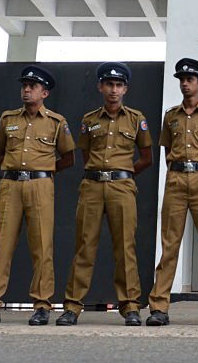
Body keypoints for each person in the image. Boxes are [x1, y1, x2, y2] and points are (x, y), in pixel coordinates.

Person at [0, 65, 76, 326]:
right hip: (10, 186)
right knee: (2, 246)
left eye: (33, 86)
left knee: (42, 247)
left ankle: (42, 305)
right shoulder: (8, 119)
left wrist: (44, 171)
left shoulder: (56, 122)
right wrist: (15, 171)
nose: (27, 90)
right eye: (24, 86)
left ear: (45, 93)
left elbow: (68, 158)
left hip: (41, 186)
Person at [57, 63, 153, 327]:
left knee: (125, 247)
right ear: (100, 87)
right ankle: (72, 307)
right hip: (92, 186)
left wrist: (123, 173)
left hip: (122, 187)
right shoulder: (89, 120)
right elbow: (85, 154)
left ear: (125, 89)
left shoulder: (136, 119)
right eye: (109, 84)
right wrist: (101, 172)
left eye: (119, 85)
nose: (114, 90)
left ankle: (130, 306)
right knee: (84, 246)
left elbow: (147, 157)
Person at [147, 58, 198, 327]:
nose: (185, 83)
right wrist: (177, 173)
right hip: (176, 179)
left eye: (190, 79)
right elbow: (166, 150)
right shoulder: (170, 116)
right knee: (169, 245)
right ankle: (159, 306)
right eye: (182, 79)